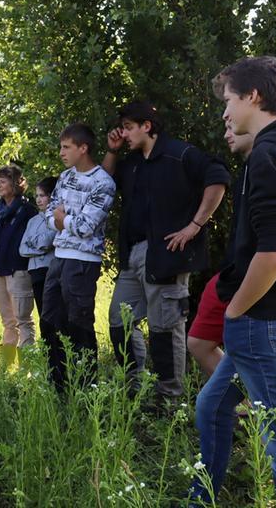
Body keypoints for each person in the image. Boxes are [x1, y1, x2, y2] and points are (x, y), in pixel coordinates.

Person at [191, 56, 276, 507]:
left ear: (253, 96)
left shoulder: (270, 154)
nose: (225, 113)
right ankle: (203, 496)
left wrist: (234, 311)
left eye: (229, 101)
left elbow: (273, 253)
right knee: (213, 405)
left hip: (262, 319)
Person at [102, 101, 229, 400]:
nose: (126, 134)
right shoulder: (131, 162)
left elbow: (218, 178)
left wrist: (194, 226)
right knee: (119, 321)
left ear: (147, 126)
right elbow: (105, 182)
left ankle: (169, 398)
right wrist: (113, 150)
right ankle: (135, 387)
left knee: (165, 328)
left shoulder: (179, 154)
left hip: (166, 255)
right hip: (132, 256)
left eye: (130, 128)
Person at [41, 123, 115, 391]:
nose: (61, 152)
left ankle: (85, 389)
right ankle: (58, 385)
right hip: (58, 258)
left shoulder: (102, 183)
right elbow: (49, 215)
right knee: (49, 321)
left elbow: (87, 227)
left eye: (66, 147)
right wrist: (63, 220)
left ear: (83, 148)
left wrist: (63, 219)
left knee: (78, 325)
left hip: (83, 262)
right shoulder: (65, 177)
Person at [187, 125, 253, 379]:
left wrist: (236, 308)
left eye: (232, 126)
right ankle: (245, 403)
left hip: (254, 279)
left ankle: (260, 409)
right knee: (199, 342)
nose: (227, 132)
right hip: (232, 273)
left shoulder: (270, 163)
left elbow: (274, 252)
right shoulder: (248, 167)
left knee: (258, 356)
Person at [0, 165, 38, 369]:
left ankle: (27, 370)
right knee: (8, 321)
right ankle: (6, 369)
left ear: (16, 183)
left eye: (3, 180)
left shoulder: (27, 210)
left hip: (19, 269)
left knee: (23, 320)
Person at [19, 176, 58, 319]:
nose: (38, 200)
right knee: (41, 311)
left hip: (49, 268)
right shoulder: (33, 221)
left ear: (52, 196)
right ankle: (46, 341)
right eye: (37, 196)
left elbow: (47, 242)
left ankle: (57, 341)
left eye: (42, 196)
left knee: (52, 310)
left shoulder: (56, 218)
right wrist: (40, 247)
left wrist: (33, 242)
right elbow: (22, 249)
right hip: (34, 272)